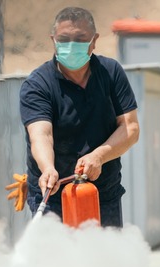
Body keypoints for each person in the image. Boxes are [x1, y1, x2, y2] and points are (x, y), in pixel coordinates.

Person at [19, 6, 140, 227]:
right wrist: (47, 168)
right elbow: (41, 135)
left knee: (104, 259)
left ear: (94, 41)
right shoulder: (38, 84)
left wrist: (99, 156)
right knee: (57, 261)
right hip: (52, 196)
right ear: (53, 40)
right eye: (64, 39)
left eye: (80, 38)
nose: (71, 45)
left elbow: (130, 128)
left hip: (103, 194)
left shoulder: (111, 73)